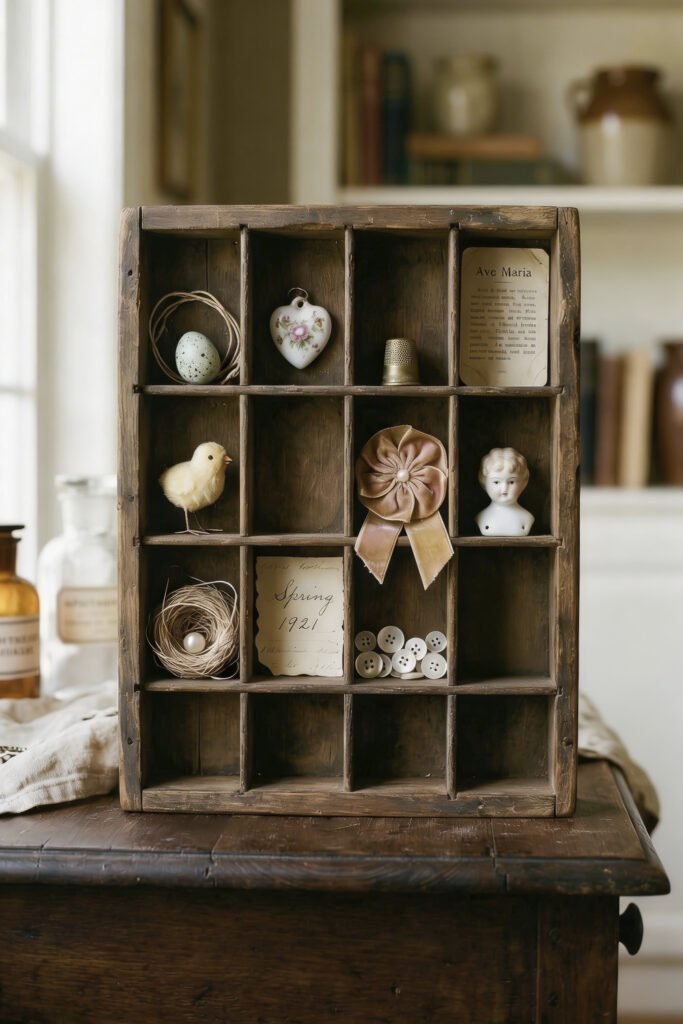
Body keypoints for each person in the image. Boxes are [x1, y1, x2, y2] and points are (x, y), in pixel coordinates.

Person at [476, 447, 534, 536]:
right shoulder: (481, 518)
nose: (504, 489)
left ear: (524, 483)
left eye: (511, 482)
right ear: (484, 483)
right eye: (496, 482)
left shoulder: (527, 518)